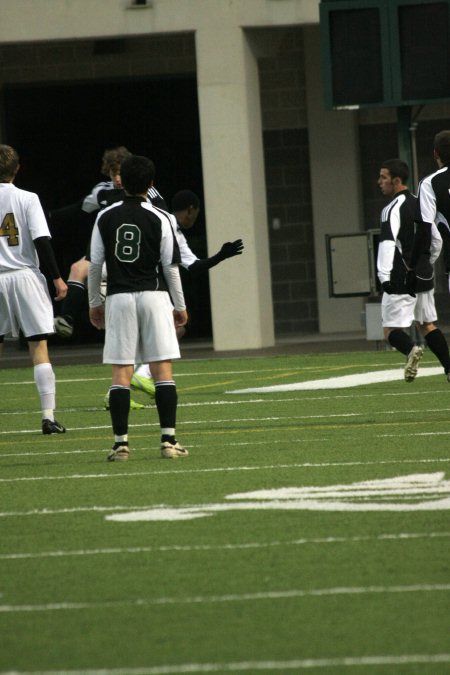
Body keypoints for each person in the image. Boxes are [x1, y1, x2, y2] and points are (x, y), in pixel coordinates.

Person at [88, 154, 188, 461]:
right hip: (154, 296)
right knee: (162, 369)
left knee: (121, 372)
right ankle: (169, 441)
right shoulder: (162, 217)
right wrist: (180, 306)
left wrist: (94, 303)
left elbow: (94, 266)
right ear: (151, 184)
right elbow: (171, 268)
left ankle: (121, 444)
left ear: (121, 181)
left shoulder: (105, 217)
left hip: (119, 297)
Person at [114, 189, 244, 404]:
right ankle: (143, 377)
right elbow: (188, 267)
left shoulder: (119, 213)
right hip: (150, 289)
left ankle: (116, 392)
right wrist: (220, 257)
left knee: (129, 343)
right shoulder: (168, 223)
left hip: (119, 287)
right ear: (192, 210)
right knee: (170, 332)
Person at [54, 146, 166, 338]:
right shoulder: (102, 191)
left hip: (137, 254)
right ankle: (67, 318)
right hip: (108, 252)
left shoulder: (145, 189)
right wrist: (49, 215)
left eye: (121, 173)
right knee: (77, 269)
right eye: (114, 173)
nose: (117, 179)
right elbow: (80, 208)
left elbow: (164, 215)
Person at [0, 144, 68, 433]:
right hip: (25, 276)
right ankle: (48, 416)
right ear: (18, 168)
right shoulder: (28, 198)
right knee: (38, 345)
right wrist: (56, 277)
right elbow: (42, 239)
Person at [377, 158, 450, 382]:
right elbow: (436, 239)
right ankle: (449, 368)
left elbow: (388, 243)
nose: (379, 182)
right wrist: (426, 262)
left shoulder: (392, 208)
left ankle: (411, 351)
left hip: (401, 275)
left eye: (383, 177)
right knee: (427, 324)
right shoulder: (421, 202)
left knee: (390, 329)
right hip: (424, 273)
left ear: (396, 181)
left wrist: (384, 276)